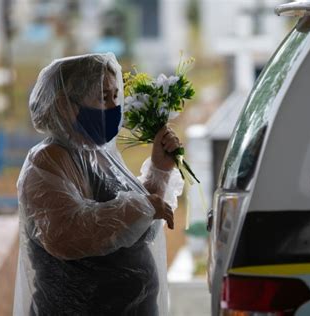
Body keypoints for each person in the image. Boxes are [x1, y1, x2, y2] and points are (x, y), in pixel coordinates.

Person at [13, 53, 184, 315]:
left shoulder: (97, 153)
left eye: (116, 96)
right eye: (104, 97)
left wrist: (159, 169)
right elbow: (66, 235)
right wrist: (141, 208)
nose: (114, 107)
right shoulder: (48, 160)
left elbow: (139, 230)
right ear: (64, 105)